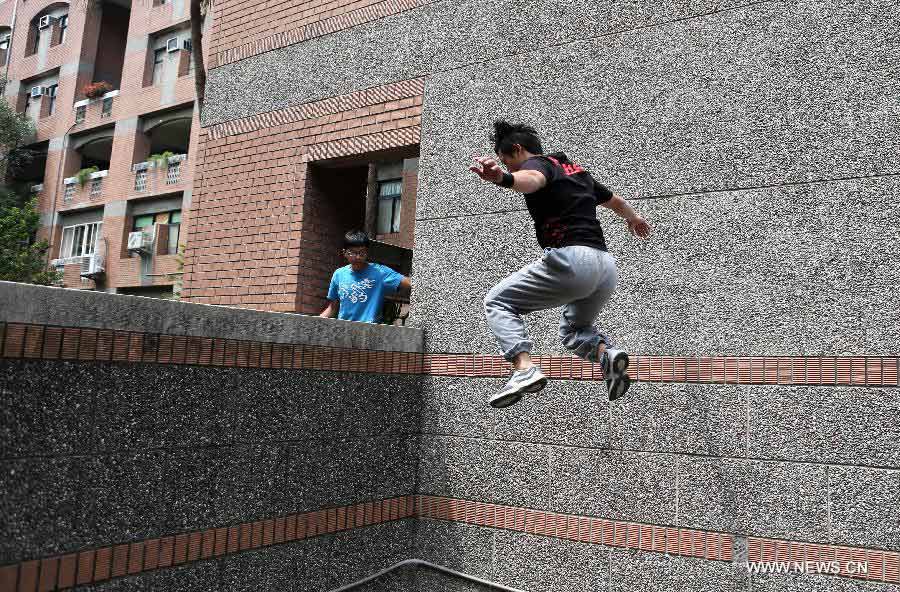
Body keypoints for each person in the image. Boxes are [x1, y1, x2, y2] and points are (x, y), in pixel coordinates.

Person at [470, 120, 651, 408]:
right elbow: (615, 201)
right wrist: (634, 218)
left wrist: (503, 179)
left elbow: (532, 180)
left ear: (517, 150)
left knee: (497, 302)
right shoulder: (577, 173)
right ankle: (608, 355)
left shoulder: (539, 166)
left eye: (509, 163)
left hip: (572, 260)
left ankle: (524, 369)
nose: (512, 169)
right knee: (574, 330)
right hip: (605, 267)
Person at [319, 230, 411, 323]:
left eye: (362, 253)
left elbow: (409, 283)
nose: (358, 257)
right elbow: (332, 308)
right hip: (344, 329)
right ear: (345, 253)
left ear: (367, 252)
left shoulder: (380, 273)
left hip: (370, 330)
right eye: (353, 252)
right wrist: (312, 322)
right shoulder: (338, 274)